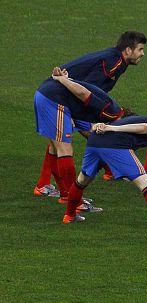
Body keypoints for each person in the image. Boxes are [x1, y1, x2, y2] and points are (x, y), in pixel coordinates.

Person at [34, 31, 147, 196]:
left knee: (59, 139)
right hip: (62, 96)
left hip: (64, 96)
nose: (142, 54)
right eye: (140, 49)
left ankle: (47, 185)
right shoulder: (113, 62)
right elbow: (86, 89)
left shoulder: (117, 60)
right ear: (128, 50)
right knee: (85, 136)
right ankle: (70, 195)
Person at [61, 108, 147, 236]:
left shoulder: (143, 120)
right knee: (145, 183)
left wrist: (111, 127)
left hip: (94, 141)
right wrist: (113, 128)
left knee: (82, 180)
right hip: (116, 145)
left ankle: (69, 216)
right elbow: (144, 128)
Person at [33, 67, 131, 211]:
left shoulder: (109, 116)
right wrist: (62, 79)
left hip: (52, 97)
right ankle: (76, 202)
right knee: (64, 148)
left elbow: (89, 132)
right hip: (54, 99)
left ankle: (67, 195)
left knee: (55, 146)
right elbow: (83, 93)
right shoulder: (110, 111)